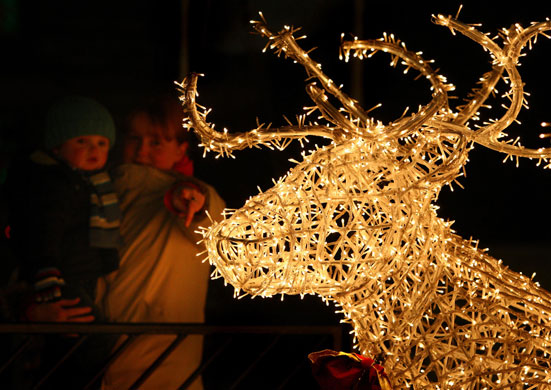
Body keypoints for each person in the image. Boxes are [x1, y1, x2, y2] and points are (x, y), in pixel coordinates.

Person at [97, 93, 225, 390]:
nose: (142, 150)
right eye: (134, 138)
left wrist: (190, 201)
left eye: (156, 141)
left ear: (181, 148)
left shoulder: (188, 193)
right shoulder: (98, 194)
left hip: (160, 364)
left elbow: (208, 223)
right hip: (98, 361)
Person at [5, 95, 121, 388]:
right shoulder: (54, 185)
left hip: (78, 273)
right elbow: (44, 232)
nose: (93, 149)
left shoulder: (90, 183)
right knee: (92, 339)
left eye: (101, 142)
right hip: (60, 277)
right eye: (82, 141)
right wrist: (48, 276)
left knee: (72, 343)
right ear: (57, 146)